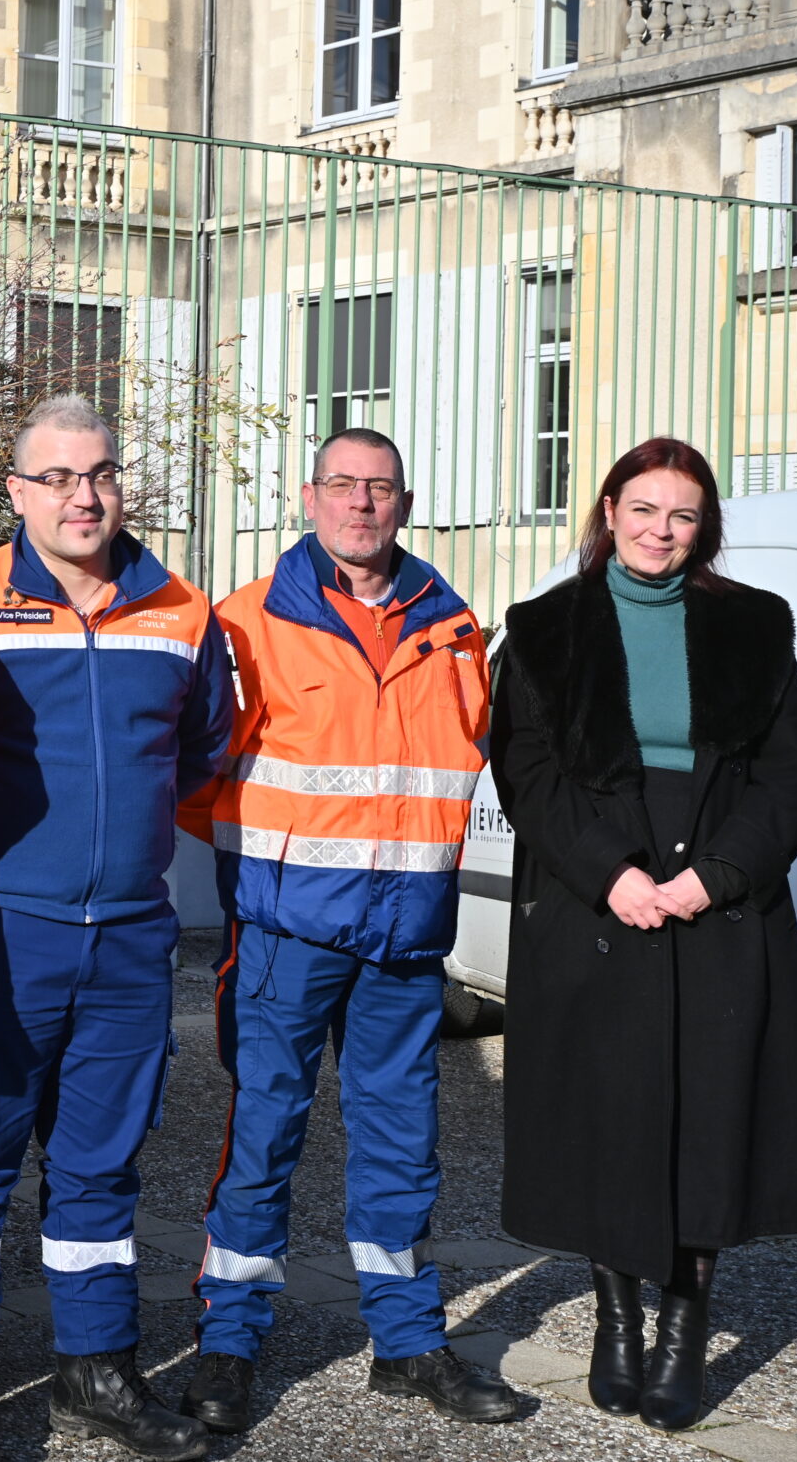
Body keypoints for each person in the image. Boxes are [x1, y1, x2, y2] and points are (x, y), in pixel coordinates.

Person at [175, 427, 521, 1431]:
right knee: (261, 1138)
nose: (361, 502)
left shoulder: (453, 625)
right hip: (285, 936)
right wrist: (268, 874)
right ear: (309, 495)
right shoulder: (246, 623)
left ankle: (407, 1343)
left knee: (404, 1148)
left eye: (379, 487)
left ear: (403, 503)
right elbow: (194, 778)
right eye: (343, 484)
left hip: (405, 941)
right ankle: (229, 1340)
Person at [0, 396, 230, 1462]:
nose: (81, 496)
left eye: (98, 473)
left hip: (130, 936)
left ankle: (96, 1369)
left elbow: (200, 751)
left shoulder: (181, 611)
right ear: (16, 492)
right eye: (55, 477)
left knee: (101, 1165)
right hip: (2, 930)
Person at [489, 437, 797, 1431]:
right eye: (642, 508)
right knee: (608, 1114)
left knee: (707, 1118)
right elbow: (526, 769)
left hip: (718, 905)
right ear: (609, 510)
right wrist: (613, 875)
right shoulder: (545, 629)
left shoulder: (755, 625)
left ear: (704, 526)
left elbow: (785, 776)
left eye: (681, 514)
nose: (659, 530)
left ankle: (683, 1323)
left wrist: (712, 877)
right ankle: (616, 1318)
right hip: (595, 902)